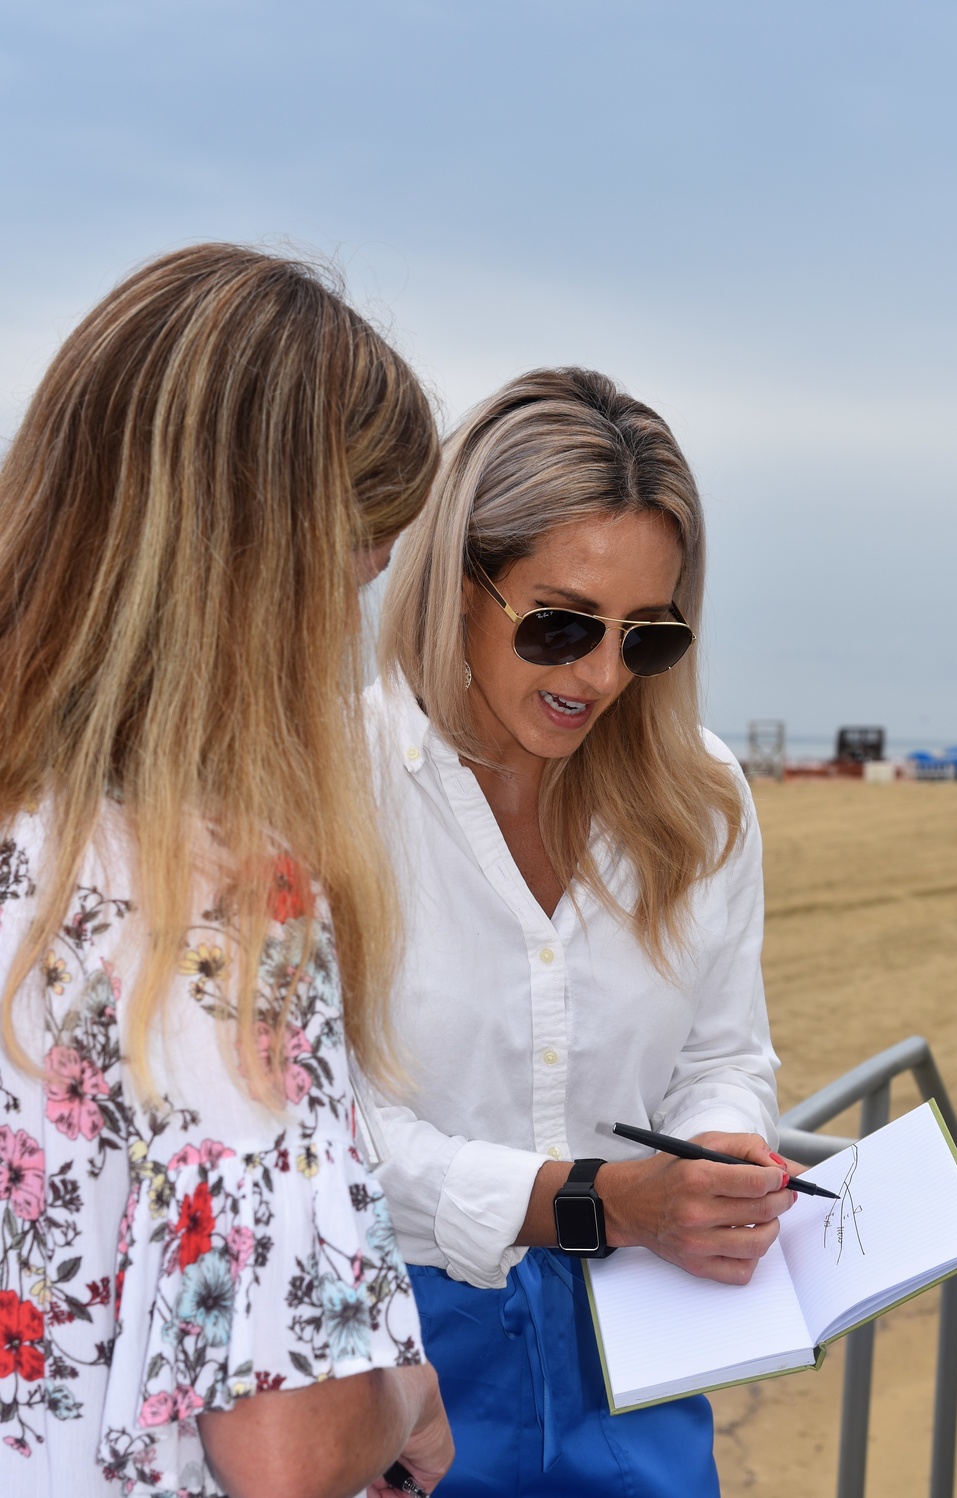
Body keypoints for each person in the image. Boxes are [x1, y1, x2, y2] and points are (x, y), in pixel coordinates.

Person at [0, 244, 454, 1498]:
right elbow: (288, 1446)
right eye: (356, 572)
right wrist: (405, 1393)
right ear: (269, 578)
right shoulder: (220, 900)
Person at [361, 367, 794, 1496]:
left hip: (639, 1341)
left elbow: (722, 1054)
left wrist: (720, 1157)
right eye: (559, 624)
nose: (600, 675)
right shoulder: (331, 784)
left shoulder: (701, 794)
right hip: (394, 1356)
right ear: (461, 582)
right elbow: (326, 1133)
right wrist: (594, 1200)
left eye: (645, 638)